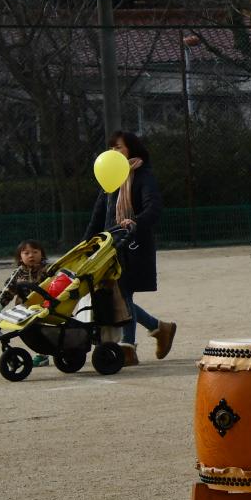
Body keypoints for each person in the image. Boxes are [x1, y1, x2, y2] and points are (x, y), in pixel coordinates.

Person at [84, 132, 174, 366]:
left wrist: (135, 222)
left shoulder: (144, 176)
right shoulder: (110, 177)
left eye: (119, 148)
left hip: (133, 243)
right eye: (111, 149)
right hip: (109, 245)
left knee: (123, 293)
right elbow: (98, 215)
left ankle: (128, 347)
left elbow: (153, 208)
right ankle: (158, 328)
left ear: (132, 150)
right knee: (118, 296)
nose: (114, 153)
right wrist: (87, 244)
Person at [0, 239, 50, 366]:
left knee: (41, 331)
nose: (31, 255)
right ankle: (42, 352)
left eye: (35, 252)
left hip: (43, 307)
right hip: (24, 309)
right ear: (20, 257)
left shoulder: (48, 270)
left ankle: (42, 354)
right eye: (26, 253)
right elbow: (8, 289)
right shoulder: (18, 273)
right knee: (28, 332)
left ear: (42, 254)